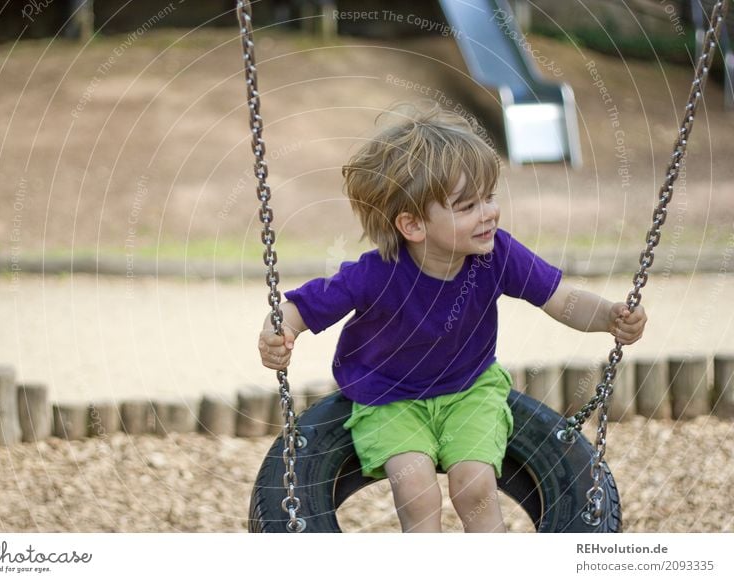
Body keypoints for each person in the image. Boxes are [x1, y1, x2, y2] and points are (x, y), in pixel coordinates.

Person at [257, 101, 647, 533]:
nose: (489, 214)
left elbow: (560, 298)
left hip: (470, 388)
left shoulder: (497, 254)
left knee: (474, 484)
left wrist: (610, 316)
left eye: (489, 198)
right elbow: (301, 308)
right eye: (467, 206)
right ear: (413, 225)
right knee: (417, 488)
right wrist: (280, 333)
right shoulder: (374, 274)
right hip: (389, 397)